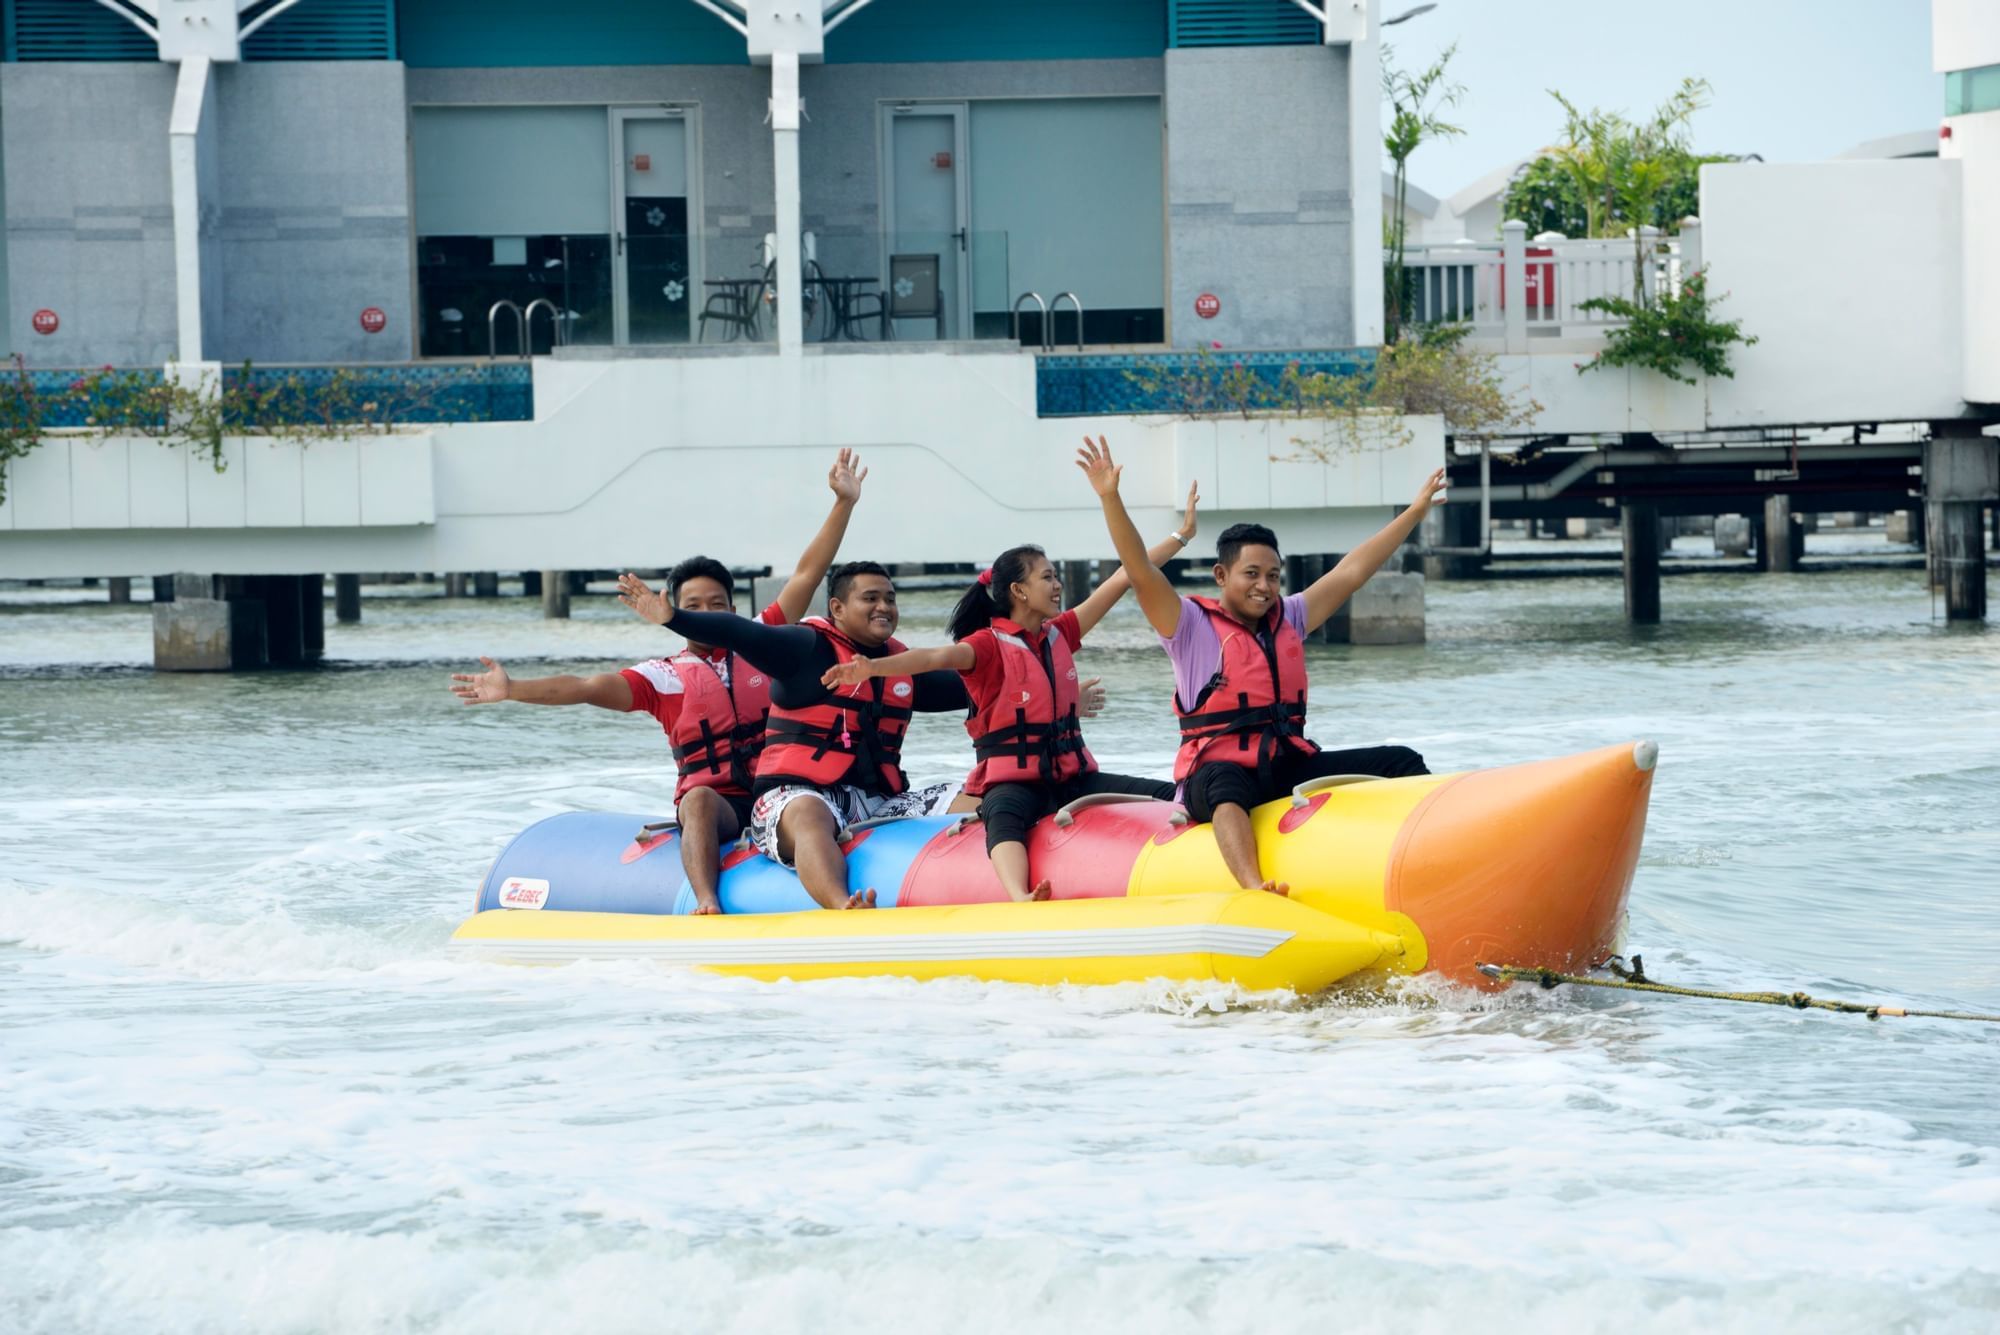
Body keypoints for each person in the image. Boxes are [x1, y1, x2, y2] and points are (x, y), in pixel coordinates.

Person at [448, 449, 870, 914]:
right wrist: (513, 689)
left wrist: (843, 504)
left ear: (732, 611)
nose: (707, 614)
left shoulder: (763, 639)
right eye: (695, 605)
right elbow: (586, 686)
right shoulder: (663, 678)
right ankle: (707, 902)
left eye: (717, 605)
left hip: (783, 794)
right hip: (724, 809)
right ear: (677, 611)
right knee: (699, 801)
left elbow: (808, 574)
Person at [1079, 435, 1444, 896]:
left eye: (1273, 576)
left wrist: (1413, 512)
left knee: (1401, 760)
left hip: (1286, 764)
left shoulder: (1289, 616)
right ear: (1221, 576)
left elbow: (1352, 572)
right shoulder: (1188, 625)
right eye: (1251, 574)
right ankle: (1255, 888)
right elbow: (1138, 568)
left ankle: (1436, 853)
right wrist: (1110, 497)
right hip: (1211, 775)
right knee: (1227, 784)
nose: (1264, 586)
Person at [817, 486, 1199, 903]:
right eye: (1047, 578)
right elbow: (933, 657)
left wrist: (1182, 537)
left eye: (1055, 577)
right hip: (1015, 783)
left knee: (1168, 792)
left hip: (1073, 777)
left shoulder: (1061, 633)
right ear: (1018, 591)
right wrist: (872, 667)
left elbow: (1125, 576)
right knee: (1002, 819)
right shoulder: (987, 645)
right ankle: (1020, 896)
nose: (1057, 586)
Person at [619, 559, 989, 911]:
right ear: (837, 608)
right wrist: (673, 618)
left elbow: (974, 685)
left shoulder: (898, 666)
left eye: (890, 599)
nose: (884, 607)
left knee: (977, 801)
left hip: (878, 802)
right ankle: (842, 904)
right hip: (791, 799)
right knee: (810, 813)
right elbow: (740, 632)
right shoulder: (805, 649)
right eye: (870, 598)